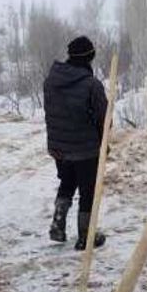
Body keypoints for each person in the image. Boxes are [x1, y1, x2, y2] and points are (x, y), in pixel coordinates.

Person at [44, 35, 108, 250]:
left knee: (67, 182)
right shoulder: (91, 85)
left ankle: (58, 224)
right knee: (88, 190)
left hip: (59, 147)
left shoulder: (51, 80)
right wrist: (103, 140)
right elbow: (103, 117)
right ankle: (86, 235)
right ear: (89, 57)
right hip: (85, 148)